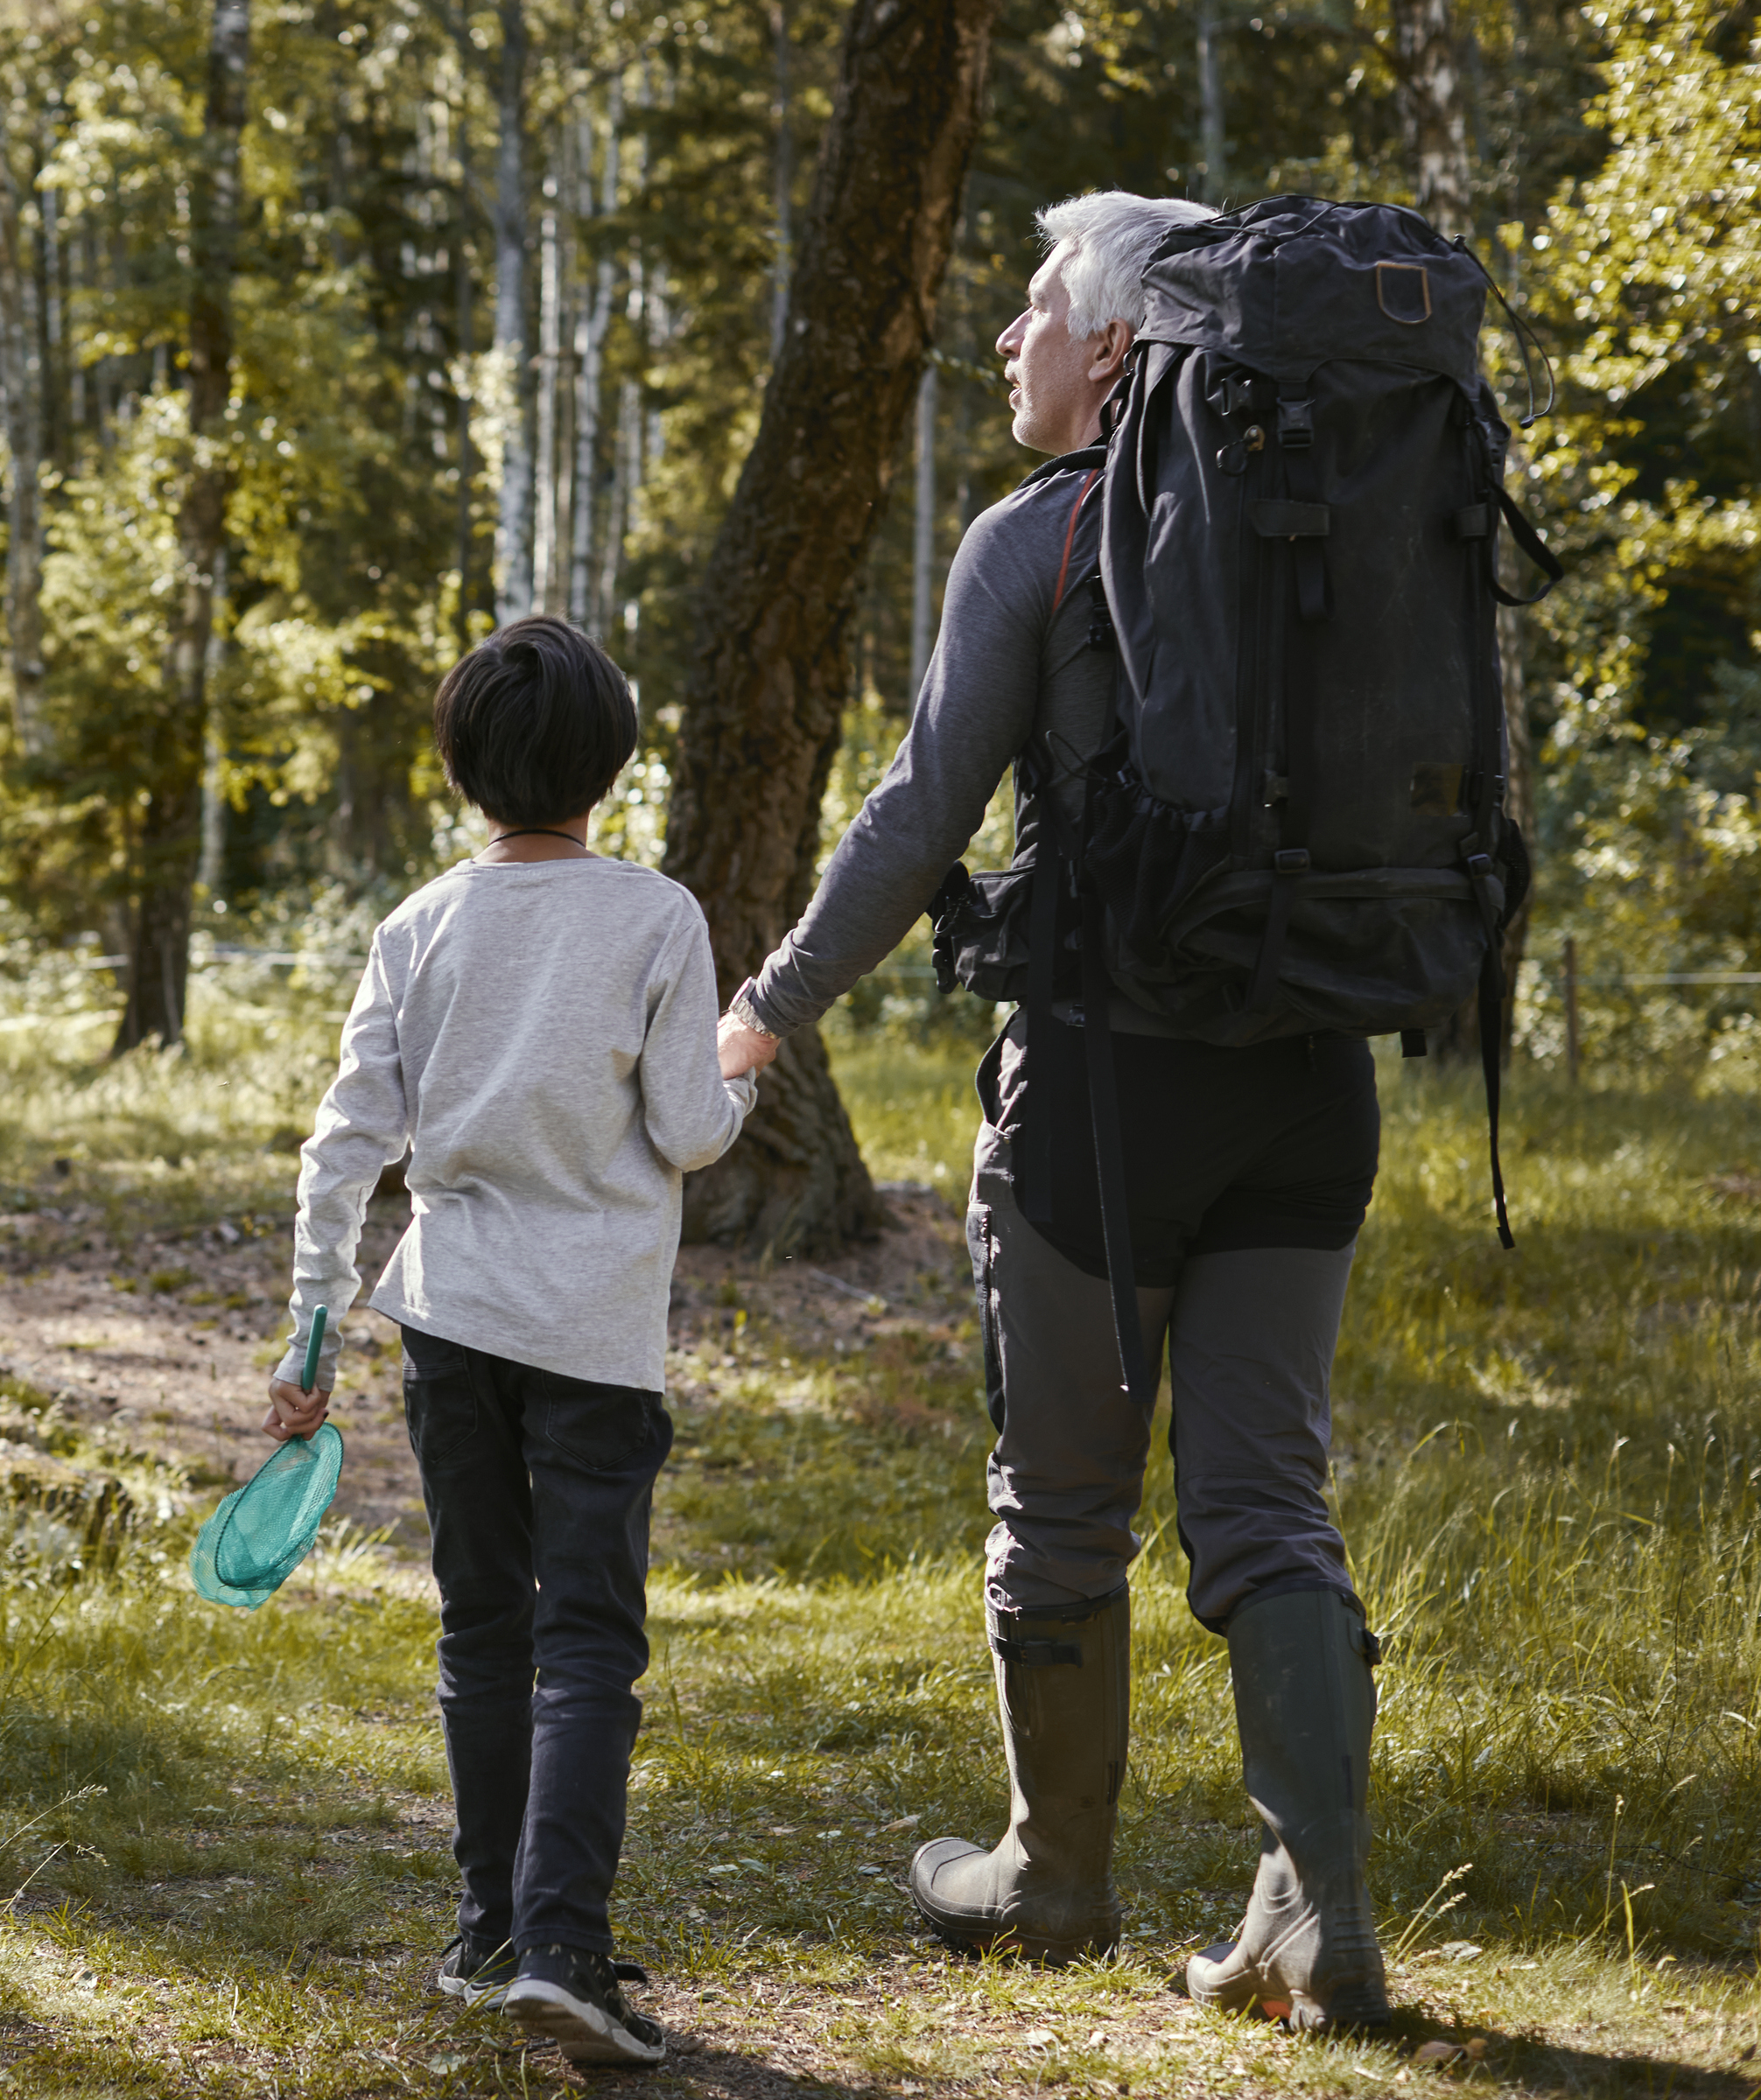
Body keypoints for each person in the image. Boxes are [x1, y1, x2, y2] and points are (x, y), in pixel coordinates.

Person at [718, 191, 1395, 2031]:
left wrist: (765, 1012)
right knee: (1269, 1504)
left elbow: (920, 814)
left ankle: (1051, 1880)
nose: (1005, 338)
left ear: (1116, 347)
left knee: (1065, 1499)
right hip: (1313, 1081)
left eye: (1037, 309)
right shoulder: (1322, 527)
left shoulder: (1041, 535)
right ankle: (1320, 1915)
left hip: (1105, 1095)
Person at [267, 616, 763, 2069]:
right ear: (611, 759)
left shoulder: (419, 924)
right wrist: (740, 1063)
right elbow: (685, 1130)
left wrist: (311, 1335)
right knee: (588, 1638)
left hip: (451, 1326)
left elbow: (343, 1147)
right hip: (595, 1333)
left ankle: (488, 1929)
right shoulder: (658, 917)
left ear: (463, 764)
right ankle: (561, 1947)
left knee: (484, 1620)